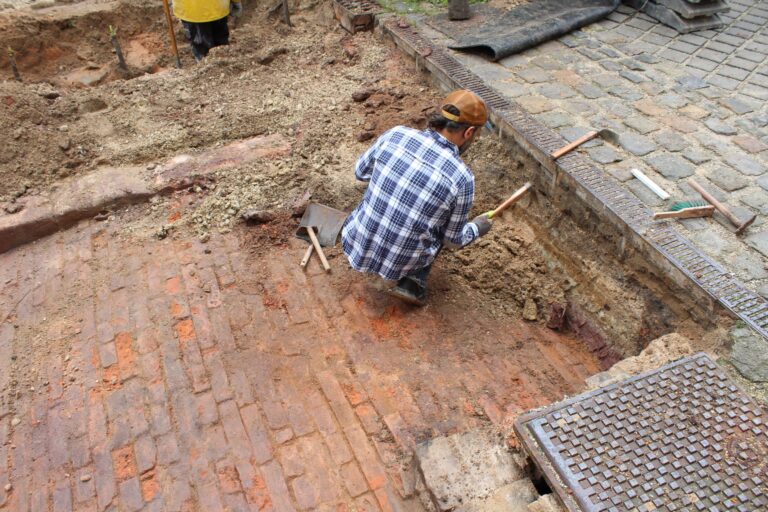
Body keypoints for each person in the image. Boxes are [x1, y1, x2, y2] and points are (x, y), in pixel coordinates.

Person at [341, 90, 493, 305]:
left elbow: (361, 172)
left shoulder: (396, 134)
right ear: (469, 132)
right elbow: (453, 240)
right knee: (444, 226)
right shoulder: (462, 178)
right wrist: (477, 227)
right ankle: (414, 282)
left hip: (355, 242)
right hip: (401, 264)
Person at [172, 0, 243, 61]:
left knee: (203, 53)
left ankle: (206, 67)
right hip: (218, 7)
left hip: (191, 10)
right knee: (222, 47)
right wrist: (236, 1)